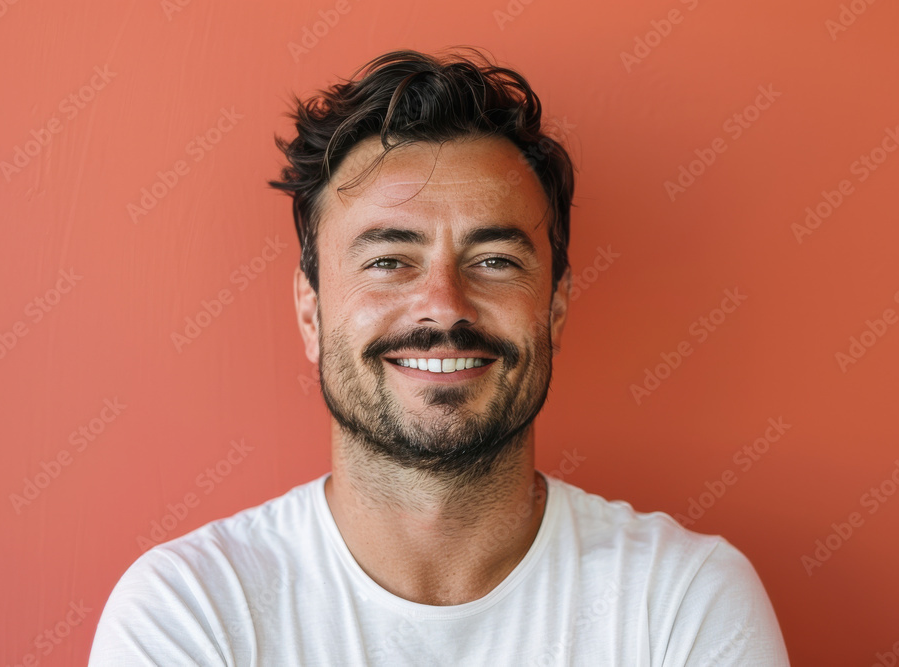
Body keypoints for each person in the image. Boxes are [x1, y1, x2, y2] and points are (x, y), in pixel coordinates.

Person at [89, 47, 790, 665]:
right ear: (312, 311)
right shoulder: (191, 611)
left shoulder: (679, 604)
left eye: (492, 259)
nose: (444, 306)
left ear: (556, 308)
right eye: (391, 260)